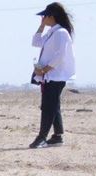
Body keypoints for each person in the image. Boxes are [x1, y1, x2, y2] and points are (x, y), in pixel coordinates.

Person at [28, 3, 75, 149]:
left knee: (48, 107)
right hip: (50, 76)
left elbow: (60, 55)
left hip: (55, 75)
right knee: (53, 106)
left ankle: (42, 137)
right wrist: (42, 26)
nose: (42, 18)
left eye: (44, 16)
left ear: (51, 16)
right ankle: (57, 136)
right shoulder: (52, 32)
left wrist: (45, 70)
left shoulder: (61, 33)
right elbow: (35, 42)